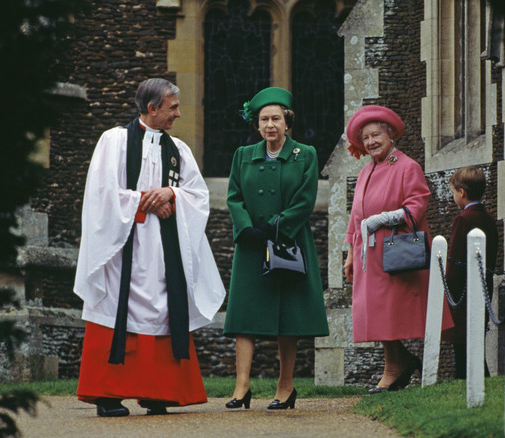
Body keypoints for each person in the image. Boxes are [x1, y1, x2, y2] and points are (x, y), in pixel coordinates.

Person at [73, 78, 226, 417]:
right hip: (123, 245)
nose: (178, 114)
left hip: (163, 249)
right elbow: (100, 193)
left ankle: (158, 393)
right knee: (116, 307)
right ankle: (108, 395)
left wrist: (172, 194)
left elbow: (199, 195)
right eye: (172, 107)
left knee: (163, 309)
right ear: (152, 108)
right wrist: (144, 201)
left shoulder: (180, 150)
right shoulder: (114, 141)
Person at [223, 87, 329, 410]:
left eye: (276, 119)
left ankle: (286, 386)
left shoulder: (305, 154)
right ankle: (241, 388)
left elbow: (305, 199)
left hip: (289, 243)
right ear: (257, 124)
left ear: (288, 121)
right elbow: (233, 196)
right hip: (252, 246)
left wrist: (277, 226)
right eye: (264, 119)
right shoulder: (242, 156)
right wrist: (247, 228)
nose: (270, 125)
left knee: (288, 317)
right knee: (244, 315)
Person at [343, 105, 453, 393]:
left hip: (394, 251)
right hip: (368, 255)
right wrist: (349, 253)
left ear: (390, 135)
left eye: (375, 135)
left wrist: (384, 218)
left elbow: (418, 205)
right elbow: (356, 216)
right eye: (365, 138)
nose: (370, 142)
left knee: (387, 313)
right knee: (376, 314)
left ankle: (396, 367)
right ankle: (398, 363)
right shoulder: (366, 171)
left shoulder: (407, 166)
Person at [441, 166, 499, 379]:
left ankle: (463, 379)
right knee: (476, 343)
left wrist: (449, 291)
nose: (454, 197)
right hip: (483, 288)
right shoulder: (489, 219)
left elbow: (455, 261)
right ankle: (476, 378)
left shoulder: (462, 220)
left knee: (462, 347)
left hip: (462, 294)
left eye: (454, 192)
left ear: (462, 192)